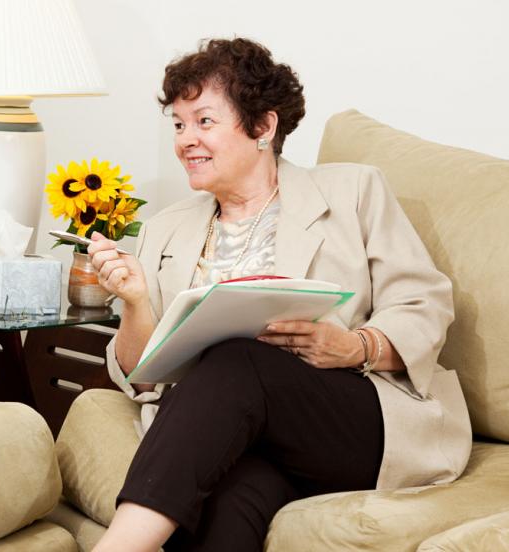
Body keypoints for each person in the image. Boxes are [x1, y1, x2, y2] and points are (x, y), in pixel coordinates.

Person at [87, 37, 472, 552]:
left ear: (264, 127)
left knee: (238, 357)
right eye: (178, 124)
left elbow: (424, 302)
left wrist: (357, 345)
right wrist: (135, 301)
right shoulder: (165, 229)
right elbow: (142, 378)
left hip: (350, 415)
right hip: (249, 430)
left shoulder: (353, 191)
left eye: (204, 121)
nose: (185, 140)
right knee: (225, 501)